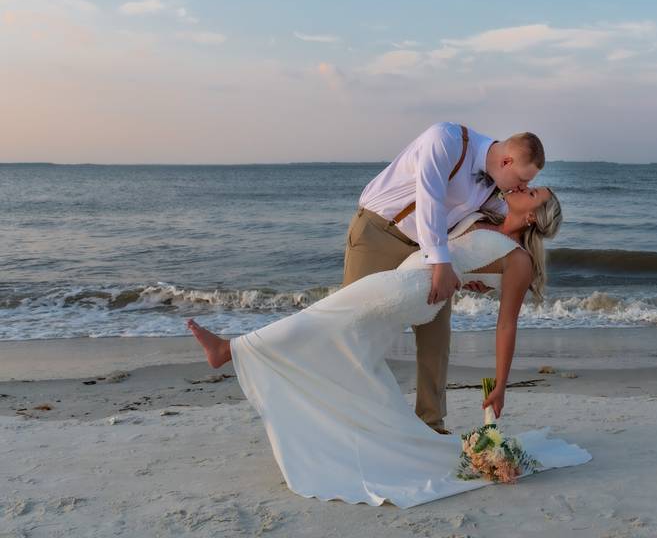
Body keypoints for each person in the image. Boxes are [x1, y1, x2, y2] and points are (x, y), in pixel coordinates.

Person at [185, 186, 591, 508]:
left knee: (325, 318)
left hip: (408, 290)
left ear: (534, 216)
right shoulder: (487, 217)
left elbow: (506, 325)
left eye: (533, 193)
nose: (523, 188)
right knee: (343, 341)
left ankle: (230, 350)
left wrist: (500, 384)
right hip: (409, 275)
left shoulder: (519, 259)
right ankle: (344, 423)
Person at [343, 122, 545, 434]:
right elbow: (429, 200)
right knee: (352, 328)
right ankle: (351, 419)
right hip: (379, 233)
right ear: (506, 161)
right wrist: (441, 264)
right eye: (522, 180)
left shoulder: (496, 190)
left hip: (429, 252)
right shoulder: (446, 140)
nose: (519, 188)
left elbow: (481, 230)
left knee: (436, 339)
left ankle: (431, 424)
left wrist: (476, 274)